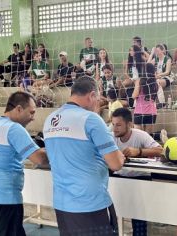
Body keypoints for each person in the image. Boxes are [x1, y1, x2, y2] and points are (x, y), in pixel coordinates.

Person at [43, 76, 125, 236]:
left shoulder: (50, 119)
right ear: (92, 95)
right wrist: (121, 156)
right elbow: (115, 164)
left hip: (62, 205)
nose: (98, 104)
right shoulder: (91, 119)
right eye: (98, 99)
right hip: (90, 204)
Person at [0, 91, 48, 236]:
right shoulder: (14, 128)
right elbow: (40, 159)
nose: (33, 118)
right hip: (4, 202)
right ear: (19, 109)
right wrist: (59, 146)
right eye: (31, 112)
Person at [111, 107, 163, 236]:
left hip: (140, 178)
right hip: (119, 178)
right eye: (113, 124)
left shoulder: (140, 135)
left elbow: (160, 150)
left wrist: (139, 151)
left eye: (118, 125)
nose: (114, 128)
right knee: (113, 215)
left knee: (139, 219)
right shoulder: (110, 137)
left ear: (129, 124)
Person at [132, 63, 158, 134]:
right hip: (151, 113)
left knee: (139, 138)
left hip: (139, 112)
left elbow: (134, 96)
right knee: (148, 138)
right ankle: (159, 135)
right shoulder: (155, 82)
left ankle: (159, 135)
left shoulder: (139, 81)